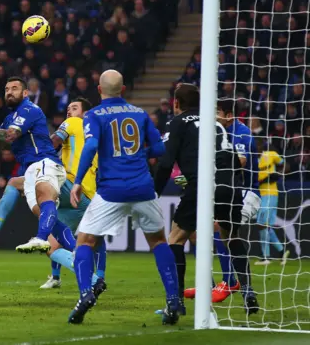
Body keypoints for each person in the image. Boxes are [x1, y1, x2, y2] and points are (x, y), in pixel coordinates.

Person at [68, 70, 179, 325]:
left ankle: (85, 294)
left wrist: (77, 182)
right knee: (159, 242)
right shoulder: (140, 113)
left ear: (99, 90)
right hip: (143, 187)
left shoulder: (93, 115)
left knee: (84, 242)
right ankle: (173, 300)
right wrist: (138, 153)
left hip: (111, 190)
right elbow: (161, 149)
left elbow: (92, 146)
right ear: (124, 89)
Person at [154, 84, 259, 316]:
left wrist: (155, 193)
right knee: (231, 237)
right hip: (229, 185)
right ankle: (249, 292)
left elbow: (165, 162)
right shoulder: (216, 123)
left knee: (175, 239)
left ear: (176, 103)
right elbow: (232, 158)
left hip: (202, 184)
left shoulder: (177, 123)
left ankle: (176, 302)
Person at [0, 77, 69, 254]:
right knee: (19, 189)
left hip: (45, 163)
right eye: (7, 89)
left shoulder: (29, 109)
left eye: (15, 88)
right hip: (32, 171)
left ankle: (40, 238)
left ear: (25, 93)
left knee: (44, 201)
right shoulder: (10, 118)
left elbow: (9, 136)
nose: (9, 92)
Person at [183, 98, 263, 302]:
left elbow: (241, 162)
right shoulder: (217, 131)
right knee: (193, 231)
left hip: (246, 192)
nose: (213, 116)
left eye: (217, 111)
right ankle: (207, 285)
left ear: (229, 115)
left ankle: (230, 282)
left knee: (220, 228)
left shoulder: (241, 132)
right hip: (225, 190)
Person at [41, 98, 107, 292]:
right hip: (90, 193)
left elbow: (53, 141)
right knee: (57, 243)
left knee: (36, 190)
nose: (69, 111)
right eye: (68, 108)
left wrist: (40, 158)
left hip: (72, 188)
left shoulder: (73, 123)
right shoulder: (96, 133)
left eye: (74, 108)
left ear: (84, 113)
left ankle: (77, 276)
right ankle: (97, 277)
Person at [255, 140, 289, 265]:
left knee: (261, 224)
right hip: (259, 194)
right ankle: (281, 251)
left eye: (258, 145)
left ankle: (266, 257)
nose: (256, 148)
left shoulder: (271, 155)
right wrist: (263, 180)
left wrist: (279, 174)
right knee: (265, 225)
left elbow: (286, 165)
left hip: (271, 193)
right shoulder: (252, 161)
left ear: (261, 146)